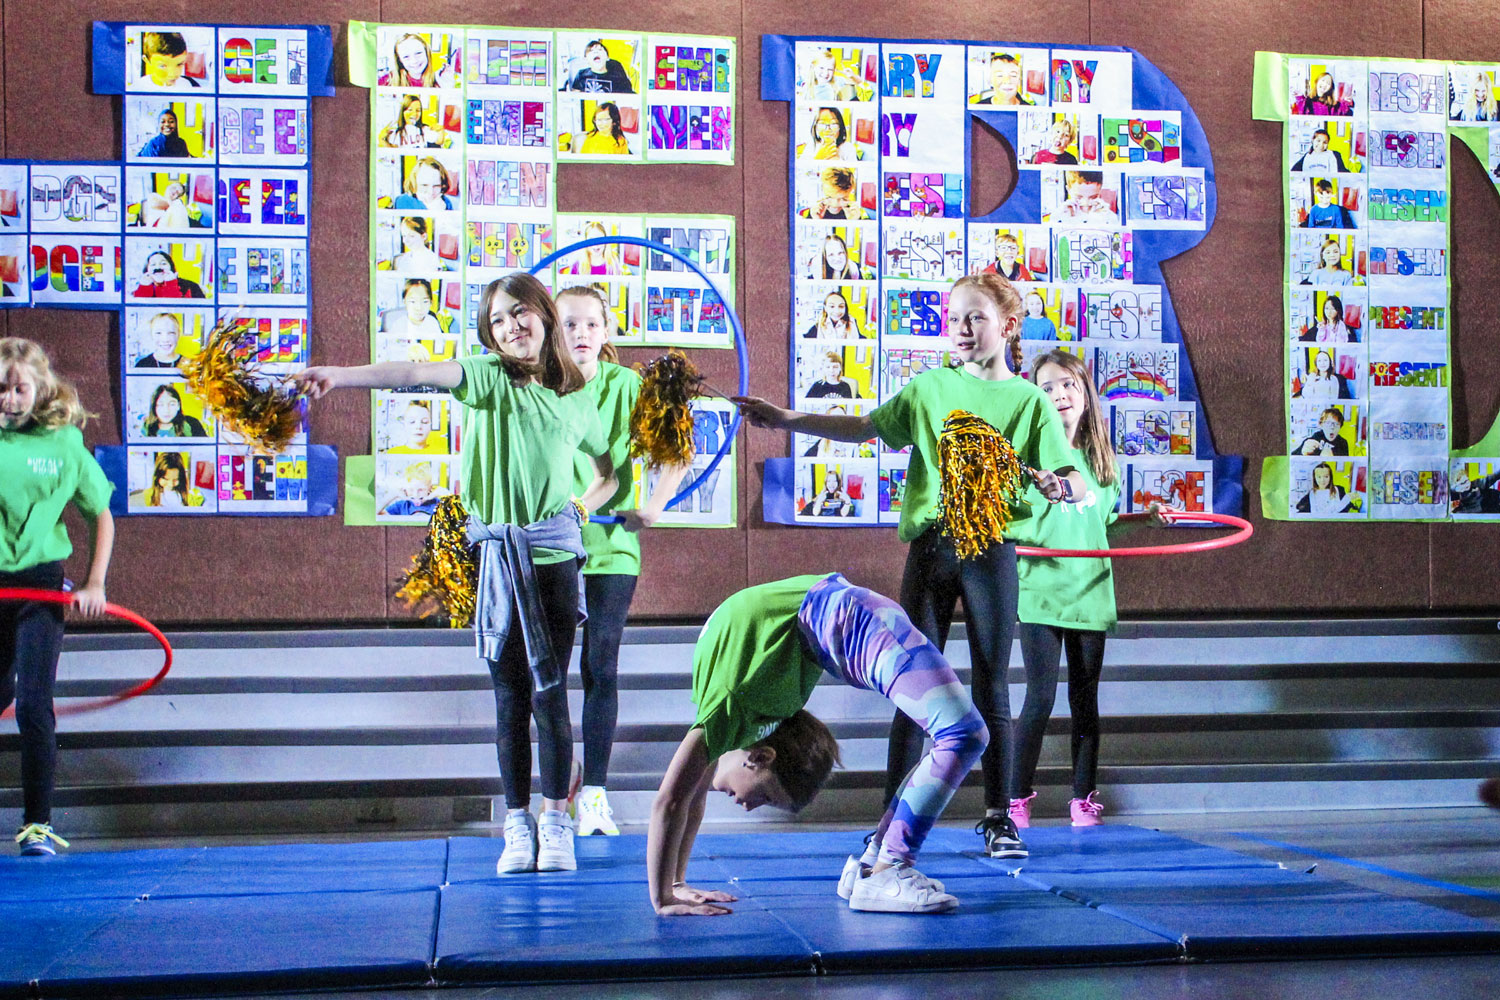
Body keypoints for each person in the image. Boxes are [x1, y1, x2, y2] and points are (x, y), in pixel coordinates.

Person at [735, 272, 1087, 860]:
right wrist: (788, 419)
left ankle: (999, 816)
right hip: (931, 550)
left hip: (990, 549)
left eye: (975, 317)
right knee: (910, 686)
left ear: (1006, 326)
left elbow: (1074, 478)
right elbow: (865, 427)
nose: (962, 329)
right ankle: (889, 817)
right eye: (954, 319)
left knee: (990, 685)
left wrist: (1062, 486)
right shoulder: (928, 389)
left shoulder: (1028, 401)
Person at [295, 272, 617, 876]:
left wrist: (583, 505)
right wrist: (340, 376)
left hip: (552, 562)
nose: (510, 327)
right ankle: (516, 825)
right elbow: (415, 374)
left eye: (519, 313)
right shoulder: (489, 378)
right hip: (498, 558)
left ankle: (556, 822)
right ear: (488, 335)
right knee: (508, 697)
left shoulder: (579, 394)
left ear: (544, 314)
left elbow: (609, 471)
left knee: (551, 698)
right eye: (496, 321)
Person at [646, 574, 986, 915]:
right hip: (845, 614)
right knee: (961, 734)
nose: (750, 807)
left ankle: (883, 868)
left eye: (764, 796)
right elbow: (687, 797)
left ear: (760, 758)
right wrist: (673, 888)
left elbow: (673, 799)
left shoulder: (731, 705)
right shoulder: (742, 710)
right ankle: (879, 866)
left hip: (854, 617)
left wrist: (665, 898)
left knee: (963, 734)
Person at [1011, 350, 1172, 830]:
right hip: (1040, 590)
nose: (1059, 395)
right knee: (1038, 699)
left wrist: (1143, 520)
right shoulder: (1026, 456)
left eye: (1067, 385)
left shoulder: (1102, 462)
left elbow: (1100, 526)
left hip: (1091, 591)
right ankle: (1015, 799)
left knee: (1086, 699)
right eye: (1046, 388)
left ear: (1084, 392)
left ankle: (1083, 799)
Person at [557, 286, 687, 837]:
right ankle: (558, 786)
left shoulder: (629, 387)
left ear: (607, 332)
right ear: (551, 332)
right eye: (569, 325)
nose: (581, 334)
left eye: (591, 324)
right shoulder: (539, 388)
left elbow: (676, 451)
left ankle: (594, 795)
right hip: (552, 546)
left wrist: (654, 507)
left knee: (601, 666)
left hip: (613, 549)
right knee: (548, 674)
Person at [0, 338, 114, 855]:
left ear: (40, 389)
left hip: (39, 584)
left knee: (33, 703)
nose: (9, 398)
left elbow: (101, 514)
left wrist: (95, 583)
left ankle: (37, 823)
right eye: (1, 388)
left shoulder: (64, 443)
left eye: (20, 388)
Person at [562, 40, 635, 93]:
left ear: (607, 58)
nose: (596, 52)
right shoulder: (581, 75)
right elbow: (575, 95)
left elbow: (627, 95)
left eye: (600, 50)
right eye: (591, 51)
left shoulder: (617, 76)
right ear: (586, 59)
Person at [386, 33, 454, 88]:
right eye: (406, 57)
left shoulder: (441, 78)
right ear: (399, 60)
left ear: (426, 53)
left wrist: (448, 86)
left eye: (418, 53)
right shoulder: (388, 80)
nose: (414, 61)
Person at [380, 279, 445, 337]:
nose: (419, 308)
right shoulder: (398, 324)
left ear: (431, 302)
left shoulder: (432, 322)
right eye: (413, 301)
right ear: (404, 302)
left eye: (425, 302)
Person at [379, 95, 448, 149]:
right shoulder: (396, 132)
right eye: (410, 110)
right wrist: (381, 139)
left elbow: (439, 141)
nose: (414, 114)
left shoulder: (424, 129)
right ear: (403, 111)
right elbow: (392, 151)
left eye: (418, 110)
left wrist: (441, 130)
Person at [140, 384, 207, 438]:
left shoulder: (192, 423)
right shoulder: (147, 427)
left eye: (172, 404)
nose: (166, 410)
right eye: (160, 405)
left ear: (178, 406)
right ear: (154, 407)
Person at [1052, 171, 1118, 225]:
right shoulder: (1059, 215)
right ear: (1068, 189)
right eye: (1079, 197)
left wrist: (1101, 219)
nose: (1086, 204)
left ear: (1100, 190)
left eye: (1093, 197)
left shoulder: (1109, 216)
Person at [799, 167, 866, 220]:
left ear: (851, 192)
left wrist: (854, 221)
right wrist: (815, 220)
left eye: (843, 198)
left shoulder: (856, 213)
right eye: (829, 197)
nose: (835, 205)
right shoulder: (814, 212)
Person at [131, 251, 205, 299]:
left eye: (163, 263)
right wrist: (144, 287)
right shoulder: (140, 287)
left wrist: (171, 284)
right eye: (153, 264)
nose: (158, 267)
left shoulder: (190, 286)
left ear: (171, 267)